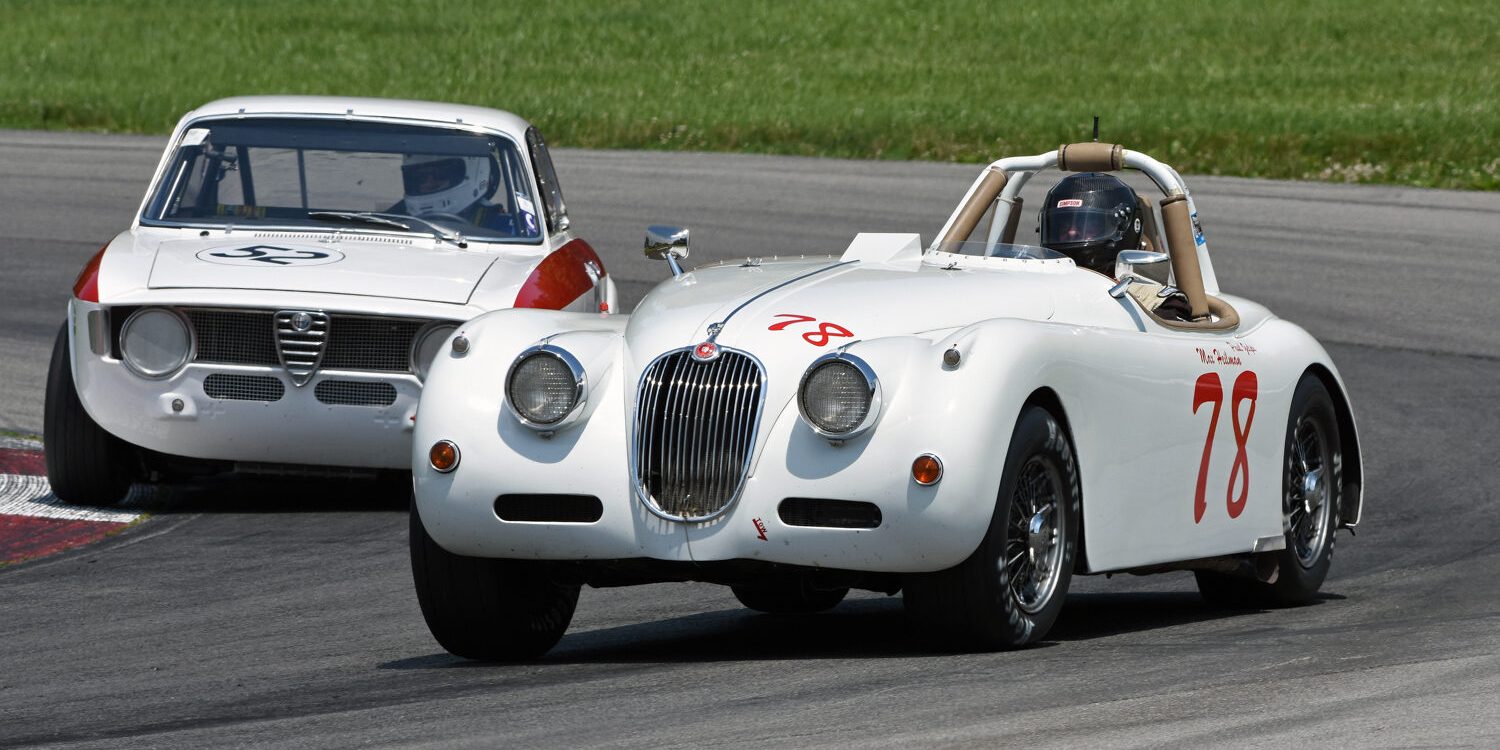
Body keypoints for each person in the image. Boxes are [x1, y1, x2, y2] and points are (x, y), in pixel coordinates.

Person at [1040, 172, 1194, 320]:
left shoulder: (1156, 301)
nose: (1072, 232)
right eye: (1063, 225)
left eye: (1086, 225)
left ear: (1123, 228)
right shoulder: (1038, 286)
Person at [392, 154, 525, 236]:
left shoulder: (508, 229)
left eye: (440, 174)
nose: (429, 183)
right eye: (419, 177)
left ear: (474, 174)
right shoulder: (392, 224)